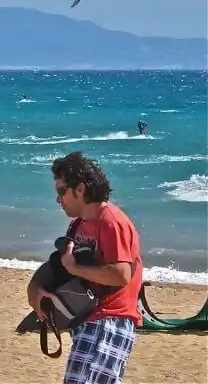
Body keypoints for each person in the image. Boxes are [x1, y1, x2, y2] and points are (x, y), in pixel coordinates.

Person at [27, 152, 142, 384]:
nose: (58, 200)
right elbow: (58, 268)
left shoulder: (111, 221)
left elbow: (121, 274)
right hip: (88, 320)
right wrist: (37, 292)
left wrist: (74, 268)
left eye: (61, 192)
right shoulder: (79, 225)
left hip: (111, 320)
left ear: (80, 189)